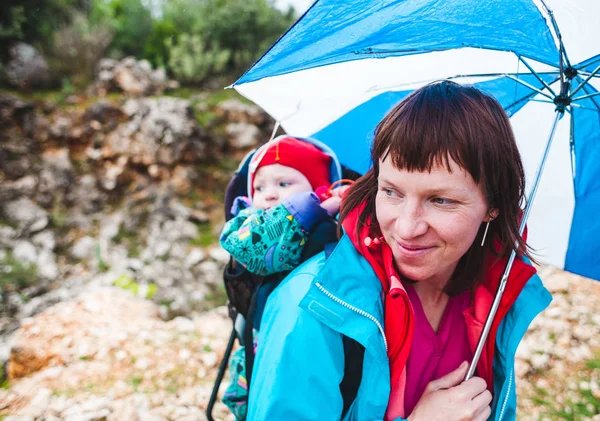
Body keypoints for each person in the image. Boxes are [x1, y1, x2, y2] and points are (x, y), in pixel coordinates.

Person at [246, 81, 552, 421]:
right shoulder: (310, 304)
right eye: (391, 192)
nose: (407, 228)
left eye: (441, 200)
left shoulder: (494, 292)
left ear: (493, 205)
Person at [220, 136, 345, 276]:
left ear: (318, 189)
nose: (269, 195)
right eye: (259, 188)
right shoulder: (246, 219)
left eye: (283, 184)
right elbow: (251, 249)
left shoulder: (336, 214)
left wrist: (351, 199)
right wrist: (307, 209)